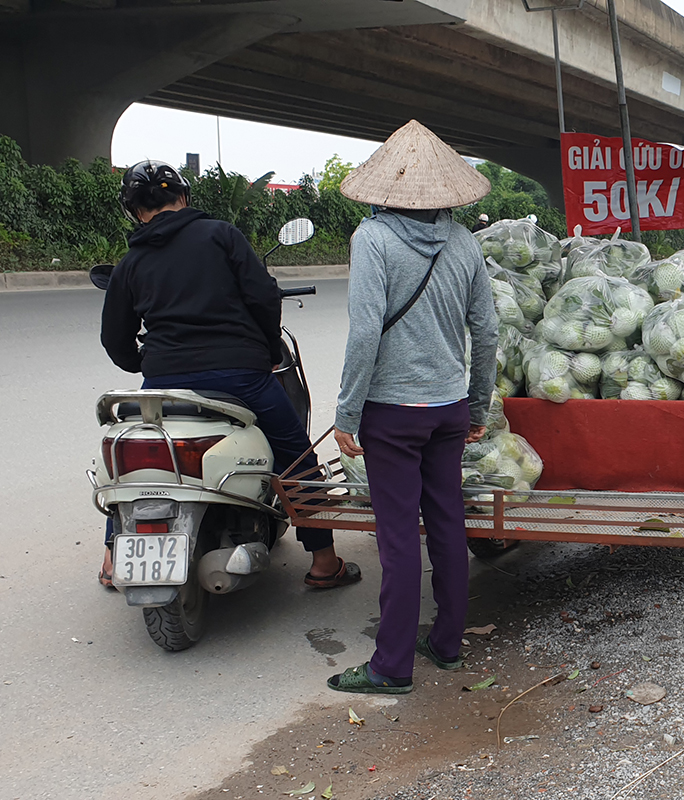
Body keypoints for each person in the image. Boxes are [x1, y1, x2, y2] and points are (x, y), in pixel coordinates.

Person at [98, 161, 359, 590]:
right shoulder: (221, 235)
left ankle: (112, 558)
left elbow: (116, 339)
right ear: (182, 197)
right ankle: (325, 563)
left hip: (164, 383)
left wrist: (147, 364)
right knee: (297, 459)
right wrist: (262, 346)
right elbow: (262, 296)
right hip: (241, 376)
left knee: (139, 458)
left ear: (133, 209)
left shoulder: (131, 262)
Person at [327, 120, 499, 695]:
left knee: (399, 535)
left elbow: (364, 335)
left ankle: (391, 666)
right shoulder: (466, 242)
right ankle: (447, 644)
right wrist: (479, 404)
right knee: (448, 522)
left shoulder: (372, 239)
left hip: (392, 414)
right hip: (449, 408)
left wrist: (346, 413)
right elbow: (488, 331)